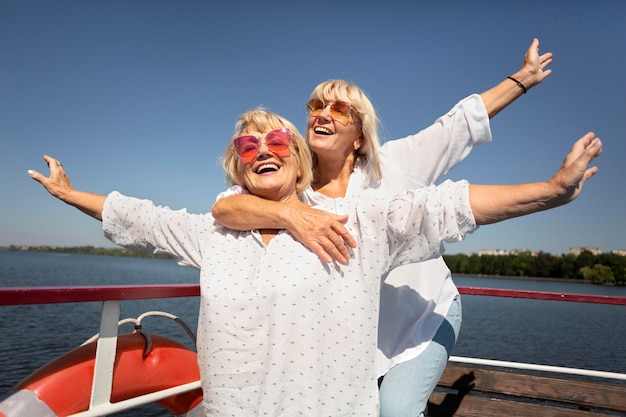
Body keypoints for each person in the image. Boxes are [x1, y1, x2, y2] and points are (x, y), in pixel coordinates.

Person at [27, 108, 601, 416]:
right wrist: (70, 195)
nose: (263, 152)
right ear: (236, 169)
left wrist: (550, 190)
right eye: (248, 148)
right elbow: (141, 219)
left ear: (299, 161)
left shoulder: (357, 222)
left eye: (277, 142)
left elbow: (443, 208)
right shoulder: (212, 232)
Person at [211, 39, 553, 415]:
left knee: (395, 410)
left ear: (358, 135)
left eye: (340, 109)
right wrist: (290, 215)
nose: (323, 114)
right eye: (316, 106)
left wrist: (522, 78)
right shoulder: (296, 187)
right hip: (362, 332)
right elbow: (227, 207)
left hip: (423, 316)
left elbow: (458, 126)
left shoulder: (394, 164)